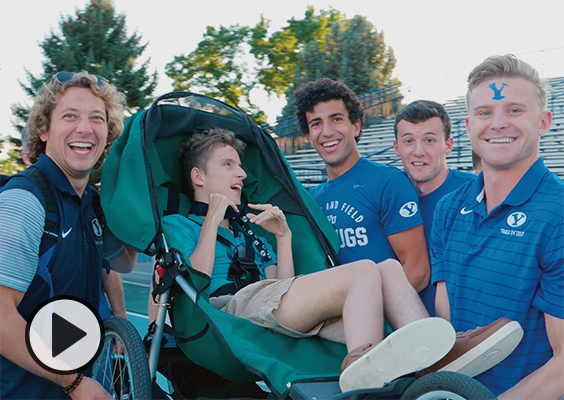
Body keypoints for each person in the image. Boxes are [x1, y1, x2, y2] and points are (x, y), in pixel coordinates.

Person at [162, 127, 522, 393]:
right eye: (228, 165)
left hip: (268, 306)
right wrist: (212, 217)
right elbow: (197, 281)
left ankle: (437, 353)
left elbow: (280, 286)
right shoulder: (178, 224)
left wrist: (283, 237)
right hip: (224, 311)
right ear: (198, 177)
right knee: (364, 270)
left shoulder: (250, 230)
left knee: (387, 268)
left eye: (240, 166)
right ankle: (360, 363)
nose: (241, 174)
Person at [432, 55, 564, 399]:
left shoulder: (559, 214)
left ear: (544, 122)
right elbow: (450, 319)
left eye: (515, 110)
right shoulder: (448, 210)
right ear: (467, 125)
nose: (498, 123)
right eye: (485, 112)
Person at [0, 71, 137, 399]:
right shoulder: (25, 200)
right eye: (70, 116)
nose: (85, 128)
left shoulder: (91, 202)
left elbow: (125, 262)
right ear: (43, 129)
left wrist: (131, 198)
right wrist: (73, 383)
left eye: (97, 118)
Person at [293, 78, 429, 292]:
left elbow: (417, 271)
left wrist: (370, 315)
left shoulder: (387, 182)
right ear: (309, 137)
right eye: (316, 124)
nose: (327, 131)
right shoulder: (312, 200)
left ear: (355, 127)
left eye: (336, 119)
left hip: (385, 320)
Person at [21, 126, 127, 321]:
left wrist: (120, 316)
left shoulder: (93, 200)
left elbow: (113, 266)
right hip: (44, 334)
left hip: (93, 326)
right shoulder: (23, 199)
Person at [392, 100, 475, 315]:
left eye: (429, 140)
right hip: (406, 330)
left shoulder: (476, 190)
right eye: (408, 141)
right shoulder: (388, 197)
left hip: (465, 330)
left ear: (448, 144)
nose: (418, 151)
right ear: (396, 148)